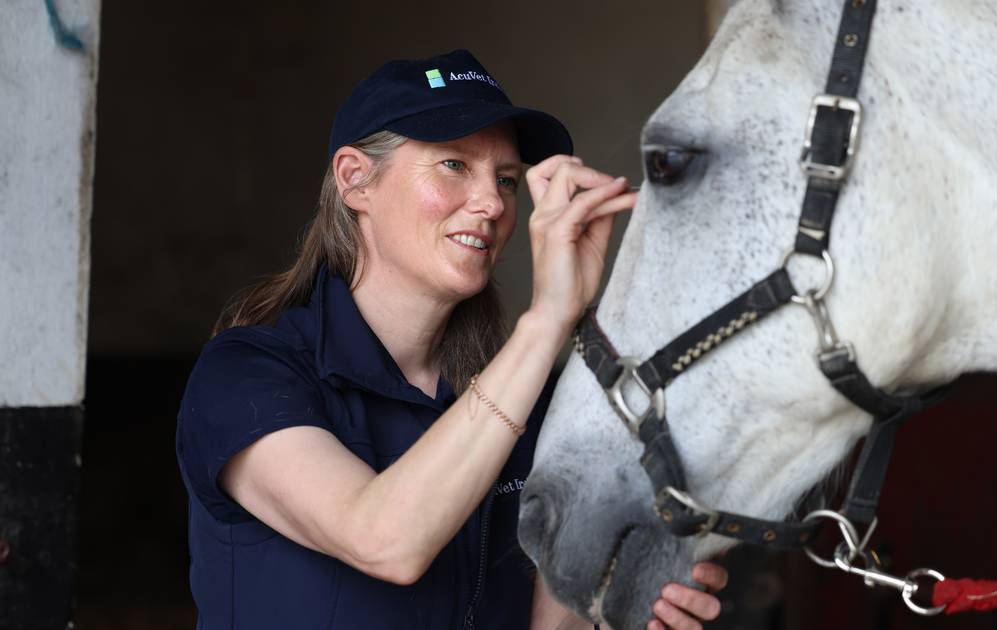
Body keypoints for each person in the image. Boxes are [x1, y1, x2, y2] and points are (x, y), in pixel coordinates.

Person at [175, 49, 728, 629]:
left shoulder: (532, 402)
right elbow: (384, 539)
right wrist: (548, 319)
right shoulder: (246, 375)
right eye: (454, 165)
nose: (492, 203)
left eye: (507, 180)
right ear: (354, 179)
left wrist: (612, 603)